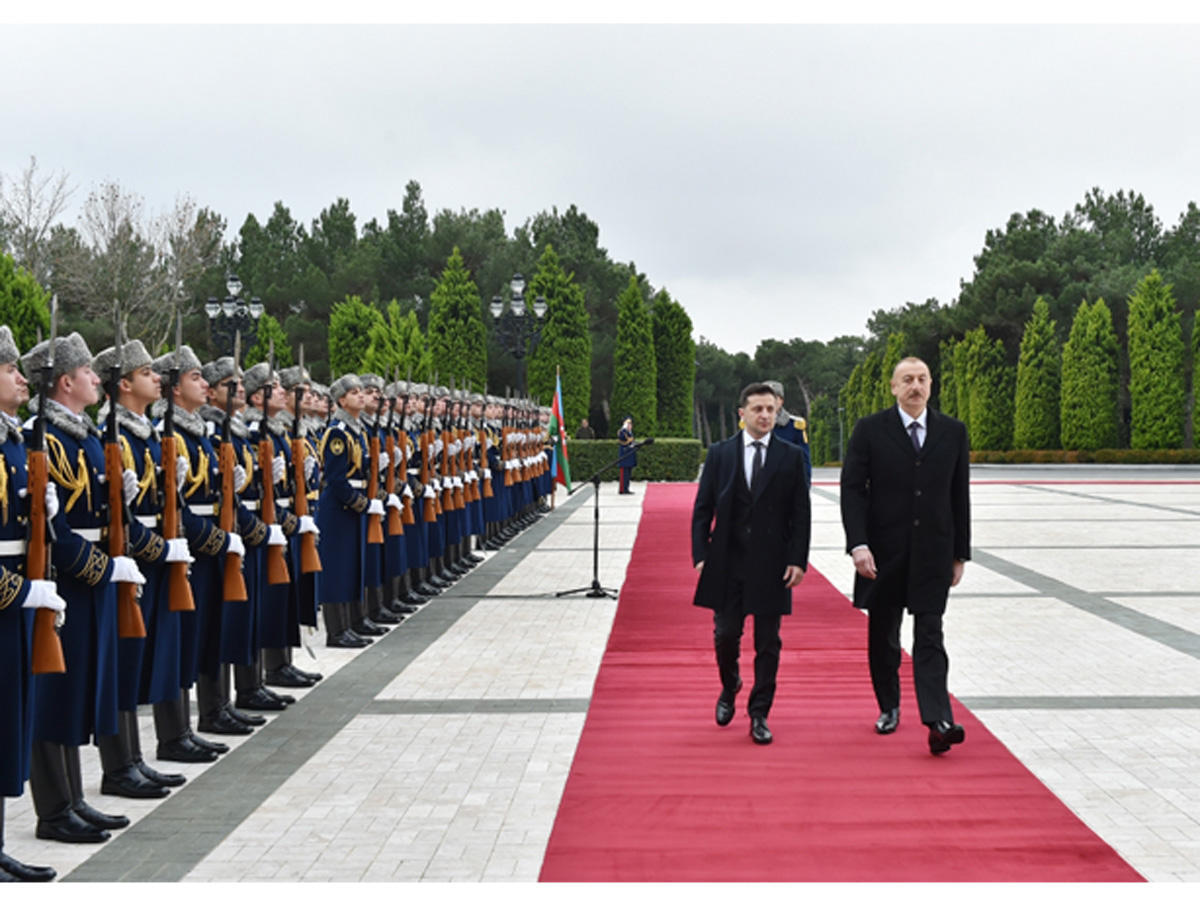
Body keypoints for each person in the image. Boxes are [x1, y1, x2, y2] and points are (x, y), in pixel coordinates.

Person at [839, 356, 971, 755]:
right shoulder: (870, 430)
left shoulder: (952, 432)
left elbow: (958, 494)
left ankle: (938, 719)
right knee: (885, 635)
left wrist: (960, 553)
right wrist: (858, 544)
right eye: (907, 380)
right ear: (893, 387)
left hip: (933, 551)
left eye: (922, 379)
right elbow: (852, 490)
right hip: (882, 553)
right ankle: (889, 706)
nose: (916, 386)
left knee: (931, 633)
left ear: (931, 385)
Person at [691, 383, 810, 745]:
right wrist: (700, 556)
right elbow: (702, 509)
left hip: (772, 563)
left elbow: (800, 514)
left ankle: (760, 713)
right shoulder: (720, 453)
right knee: (726, 634)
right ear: (741, 414)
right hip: (727, 560)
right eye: (757, 409)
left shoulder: (789, 456)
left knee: (768, 642)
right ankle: (730, 684)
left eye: (770, 409)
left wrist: (797, 560)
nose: (765, 416)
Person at [0, 326, 62, 879]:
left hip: (14, 600)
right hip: (5, 596)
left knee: (8, 715)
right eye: (10, 369)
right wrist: (21, 590)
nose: (22, 377)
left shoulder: (13, 440)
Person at [762, 380, 812, 488]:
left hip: (786, 486)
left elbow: (804, 461)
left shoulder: (794, 426)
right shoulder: (750, 425)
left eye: (774, 398)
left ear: (781, 401)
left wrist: (804, 489)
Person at [616, 416, 636, 494]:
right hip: (624, 457)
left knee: (628, 474)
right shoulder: (622, 432)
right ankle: (623, 489)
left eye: (630, 424)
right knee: (624, 474)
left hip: (629, 457)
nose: (630, 425)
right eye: (628, 424)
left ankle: (626, 488)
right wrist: (623, 429)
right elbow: (621, 437)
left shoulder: (629, 432)